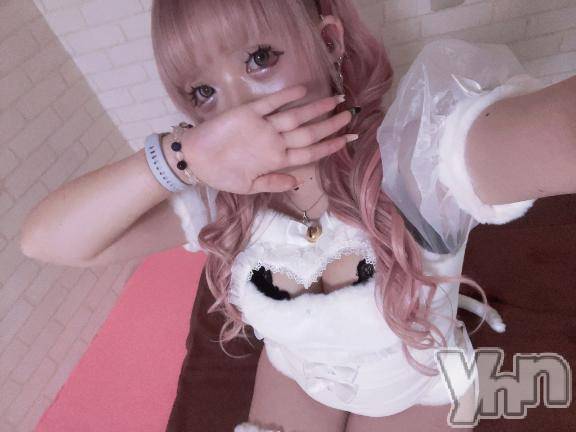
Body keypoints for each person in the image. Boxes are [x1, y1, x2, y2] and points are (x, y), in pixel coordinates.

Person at [19, 0, 576, 431]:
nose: (237, 116)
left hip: (417, 384)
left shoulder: (415, 161)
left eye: (260, 59)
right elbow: (47, 242)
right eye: (204, 92)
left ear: (328, 42)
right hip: (298, 374)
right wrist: (180, 154)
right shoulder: (222, 196)